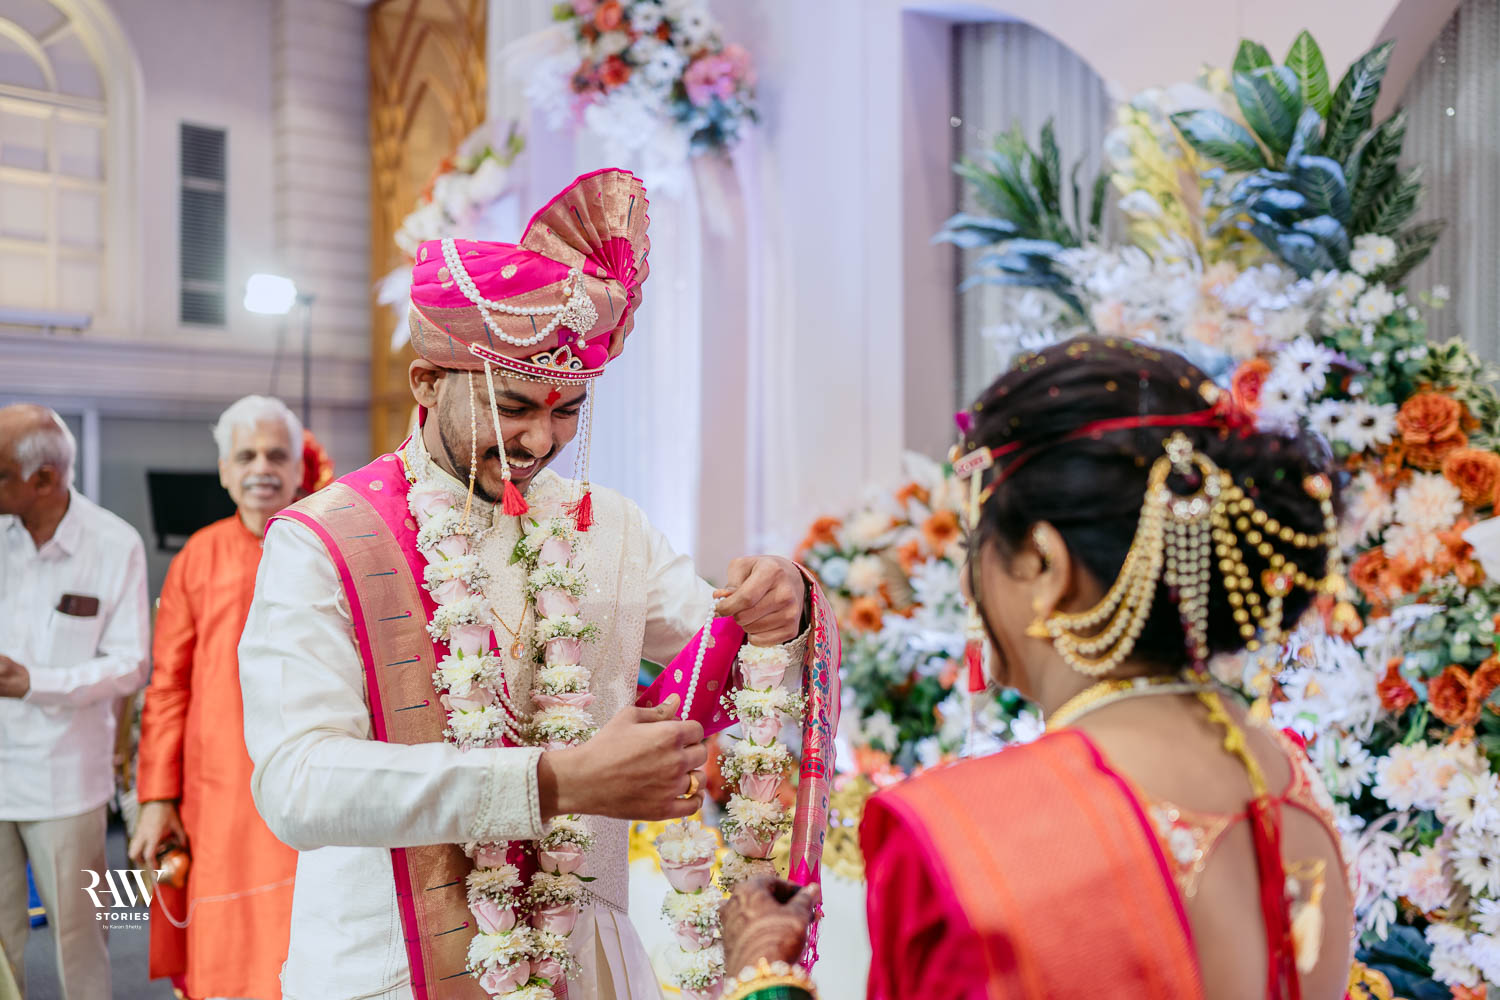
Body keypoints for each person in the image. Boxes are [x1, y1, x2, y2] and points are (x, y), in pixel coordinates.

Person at [238, 168, 814, 1000]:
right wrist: (554, 783)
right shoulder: (322, 542)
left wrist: (785, 606)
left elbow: (735, 662)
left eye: (567, 410)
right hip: (389, 963)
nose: (540, 441)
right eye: (512, 406)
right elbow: (298, 783)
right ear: (427, 383)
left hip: (585, 953)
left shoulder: (610, 528)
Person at [720, 337, 1356, 1000]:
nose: (965, 581)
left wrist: (762, 977)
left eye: (977, 543)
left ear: (1045, 565)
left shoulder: (966, 835)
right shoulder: (1289, 780)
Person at [130, 395, 329, 1000]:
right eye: (246, 457)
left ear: (298, 467)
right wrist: (156, 798)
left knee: (306, 931)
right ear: (224, 471)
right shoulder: (197, 556)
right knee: (225, 939)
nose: (261, 468)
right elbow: (168, 684)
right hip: (215, 788)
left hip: (312, 772)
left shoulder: (330, 549)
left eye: (276, 455)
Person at [0, 403, 150, 999]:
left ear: (43, 479)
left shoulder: (113, 543)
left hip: (65, 783)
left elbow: (132, 663)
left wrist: (33, 682)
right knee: (1, 945)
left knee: (80, 943)